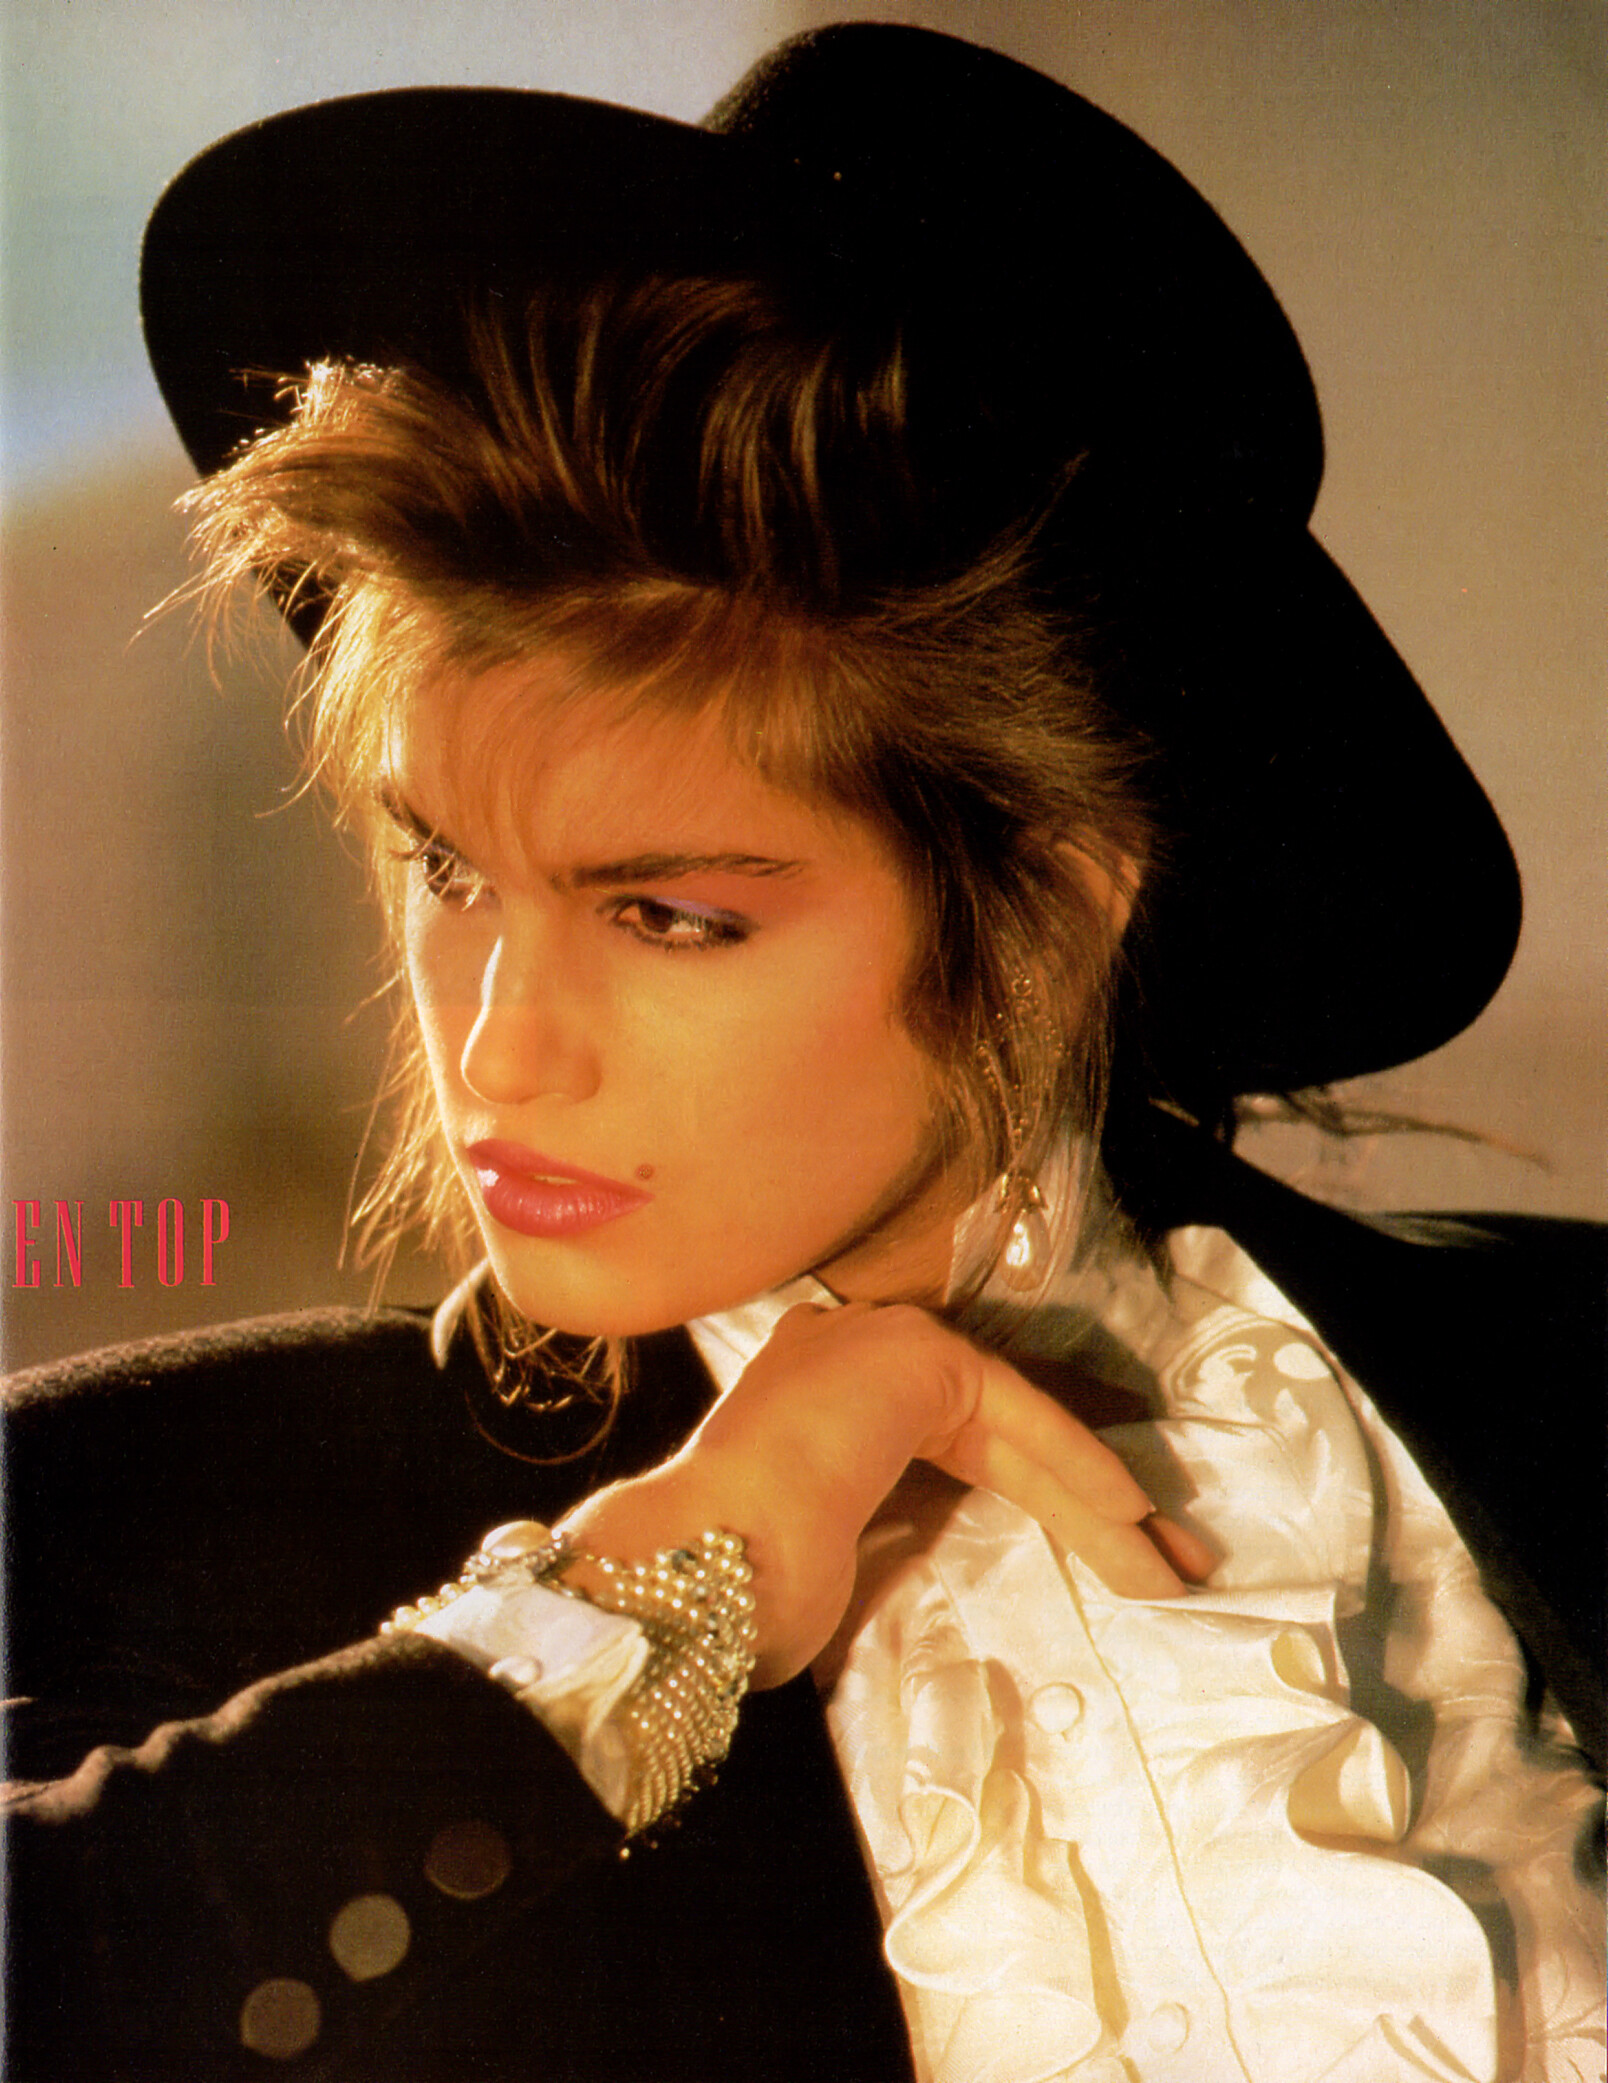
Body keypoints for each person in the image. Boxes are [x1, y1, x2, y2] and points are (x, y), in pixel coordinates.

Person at [3, 23, 1601, 2082]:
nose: (499, 1047)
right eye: (449, 869)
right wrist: (641, 1615)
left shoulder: (1558, 1384)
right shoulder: (126, 1514)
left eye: (666, 915)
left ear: (1053, 913)